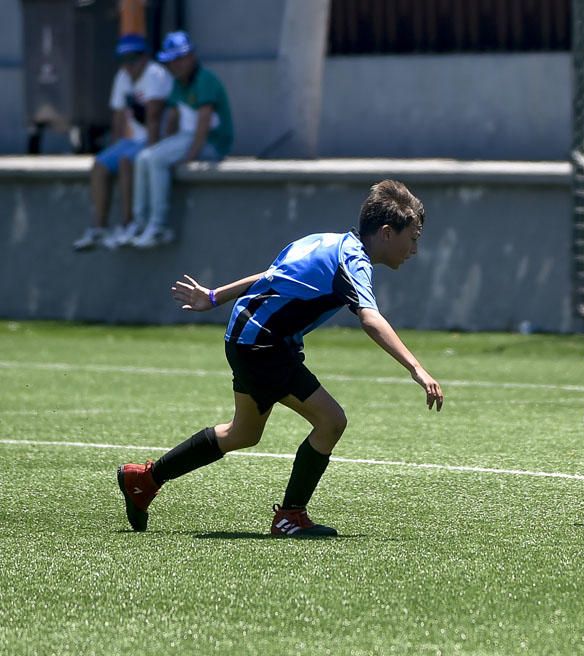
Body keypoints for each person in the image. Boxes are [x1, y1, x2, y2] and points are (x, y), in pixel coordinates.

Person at [116, 180, 444, 537]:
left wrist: (214, 297)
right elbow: (369, 317)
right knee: (331, 421)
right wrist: (416, 368)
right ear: (385, 233)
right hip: (262, 345)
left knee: (243, 432)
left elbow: (269, 278)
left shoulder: (324, 241)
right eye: (412, 238)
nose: (414, 249)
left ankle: (144, 480)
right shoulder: (353, 261)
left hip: (248, 338)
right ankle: (290, 516)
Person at [130, 31, 233, 248]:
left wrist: (190, 158)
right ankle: (139, 222)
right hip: (188, 139)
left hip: (212, 144)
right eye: (171, 60)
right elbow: (174, 119)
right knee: (144, 157)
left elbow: (203, 125)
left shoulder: (206, 79)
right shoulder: (178, 83)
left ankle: (158, 226)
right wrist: (164, 146)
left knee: (155, 159)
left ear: (191, 57)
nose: (175, 64)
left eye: (180, 58)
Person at [72, 34, 172, 251]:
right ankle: (99, 228)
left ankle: (129, 224)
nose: (128, 65)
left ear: (145, 57)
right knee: (99, 165)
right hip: (131, 141)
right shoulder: (122, 76)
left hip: (155, 140)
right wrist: (114, 148)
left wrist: (151, 150)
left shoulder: (157, 75)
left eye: (133, 59)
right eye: (124, 60)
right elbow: (118, 117)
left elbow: (154, 119)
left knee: (127, 162)